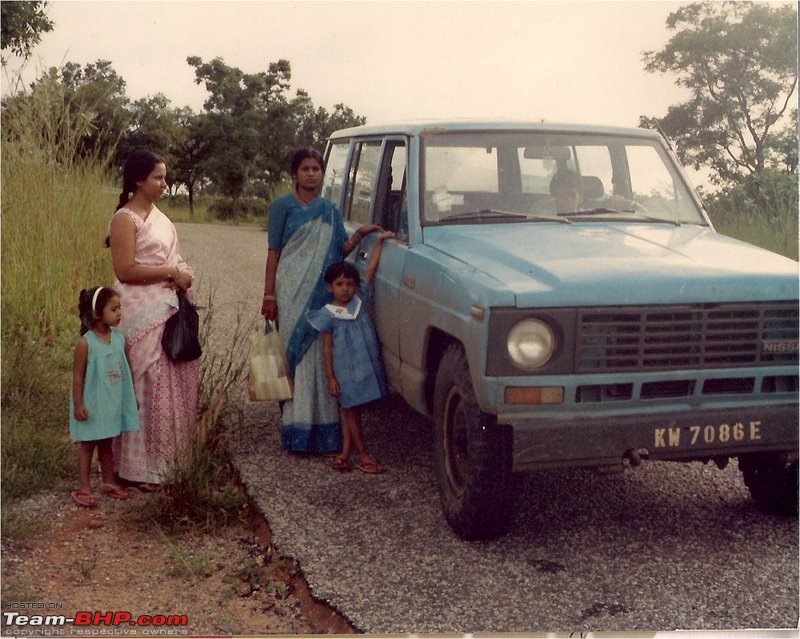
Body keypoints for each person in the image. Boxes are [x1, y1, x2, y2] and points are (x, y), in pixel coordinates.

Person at [261, 148, 381, 454]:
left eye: (316, 168)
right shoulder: (282, 206)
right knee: (294, 354)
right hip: (290, 289)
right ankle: (295, 429)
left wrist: (360, 236)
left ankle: (325, 433)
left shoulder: (330, 210)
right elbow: (274, 252)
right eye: (305, 169)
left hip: (319, 291)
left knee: (320, 354)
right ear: (295, 174)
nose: (311, 173)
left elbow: (339, 249)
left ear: (323, 173)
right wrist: (269, 294)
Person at [107, 150, 199, 490]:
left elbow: (173, 258)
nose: (165, 183)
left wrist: (182, 273)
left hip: (170, 306)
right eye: (158, 177)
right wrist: (171, 272)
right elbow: (125, 270)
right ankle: (137, 469)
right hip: (139, 310)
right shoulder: (125, 219)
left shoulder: (159, 216)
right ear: (138, 180)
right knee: (146, 385)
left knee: (171, 385)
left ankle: (167, 466)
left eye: (165, 177)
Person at [307, 231, 396, 474]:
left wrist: (379, 242)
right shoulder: (328, 314)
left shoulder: (359, 300)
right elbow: (326, 349)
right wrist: (331, 378)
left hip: (365, 367)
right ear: (330, 286)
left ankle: (345, 453)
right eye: (339, 284)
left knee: (351, 411)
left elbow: (371, 268)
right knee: (351, 412)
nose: (345, 289)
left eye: (349, 284)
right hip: (344, 372)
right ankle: (364, 456)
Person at [71, 287, 140, 507]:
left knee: (107, 442)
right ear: (96, 314)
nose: (120, 313)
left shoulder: (120, 339)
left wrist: (132, 398)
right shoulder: (86, 343)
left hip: (111, 402)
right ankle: (84, 487)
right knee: (88, 444)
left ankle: (108, 481)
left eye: (120, 308)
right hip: (92, 403)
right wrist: (79, 404)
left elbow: (126, 369)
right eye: (114, 309)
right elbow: (78, 376)